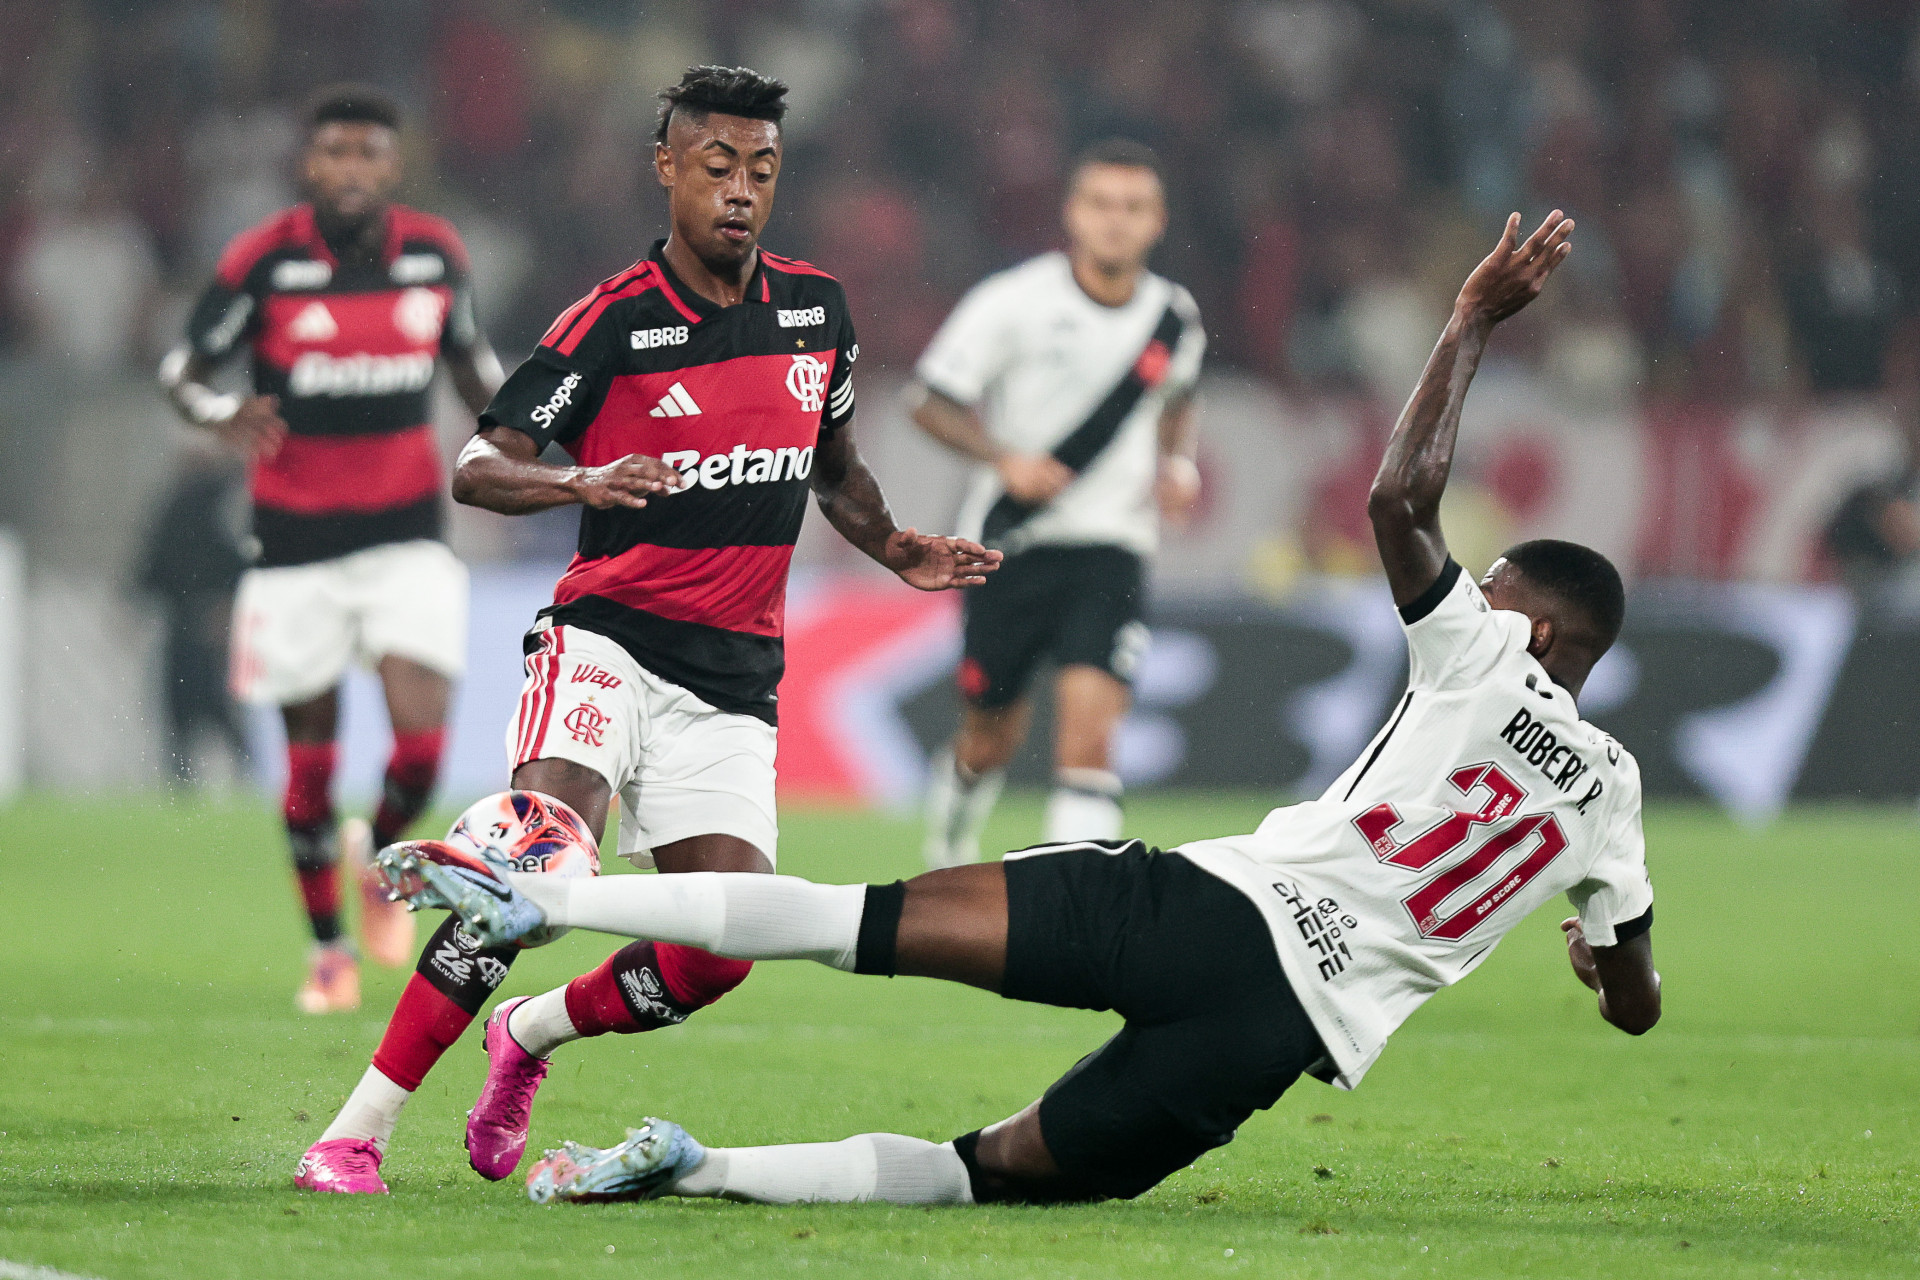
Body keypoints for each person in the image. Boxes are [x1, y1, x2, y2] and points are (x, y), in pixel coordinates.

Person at [386, 210, 1662, 1210]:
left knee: (853, 920)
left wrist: (1471, 320)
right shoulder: (1613, 797)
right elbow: (1635, 1003)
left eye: (1496, 593)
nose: (1478, 600)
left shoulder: (1484, 661)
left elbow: (1399, 504)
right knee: (983, 1171)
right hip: (1267, 1039)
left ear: (1537, 629)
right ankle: (700, 1163)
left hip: (1201, 909)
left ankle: (547, 897)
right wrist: (1592, 961)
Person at [293, 66, 999, 1196]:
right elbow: (480, 466)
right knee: (533, 857)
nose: (740, 191)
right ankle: (354, 1131)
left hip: (734, 679)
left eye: (761, 170)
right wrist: (584, 478)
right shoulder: (615, 320)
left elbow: (836, 470)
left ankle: (528, 1034)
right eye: (717, 165)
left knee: (720, 950)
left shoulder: (818, 311)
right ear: (665, 166)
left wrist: (898, 546)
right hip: (606, 640)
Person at [159, 85, 505, 1013]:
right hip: (294, 550)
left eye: (369, 154)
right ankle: (327, 953)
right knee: (308, 770)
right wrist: (221, 411)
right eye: (335, 153)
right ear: (310, 164)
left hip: (408, 541)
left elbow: (475, 366)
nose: (352, 169)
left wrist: (524, 442)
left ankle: (383, 861)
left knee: (423, 754)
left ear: (394, 166)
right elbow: (181, 370)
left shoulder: (434, 253)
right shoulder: (266, 262)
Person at [913, 138, 1206, 869]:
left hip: (1111, 546)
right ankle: (950, 831)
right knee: (990, 740)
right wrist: (1003, 459)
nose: (1116, 222)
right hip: (1009, 543)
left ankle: (1073, 908)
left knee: (1090, 735)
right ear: (1073, 213)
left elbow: (1177, 398)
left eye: (1133, 208)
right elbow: (930, 400)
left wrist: (1175, 463)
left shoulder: (1176, 319)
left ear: (1157, 221)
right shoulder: (1014, 301)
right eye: (1102, 205)